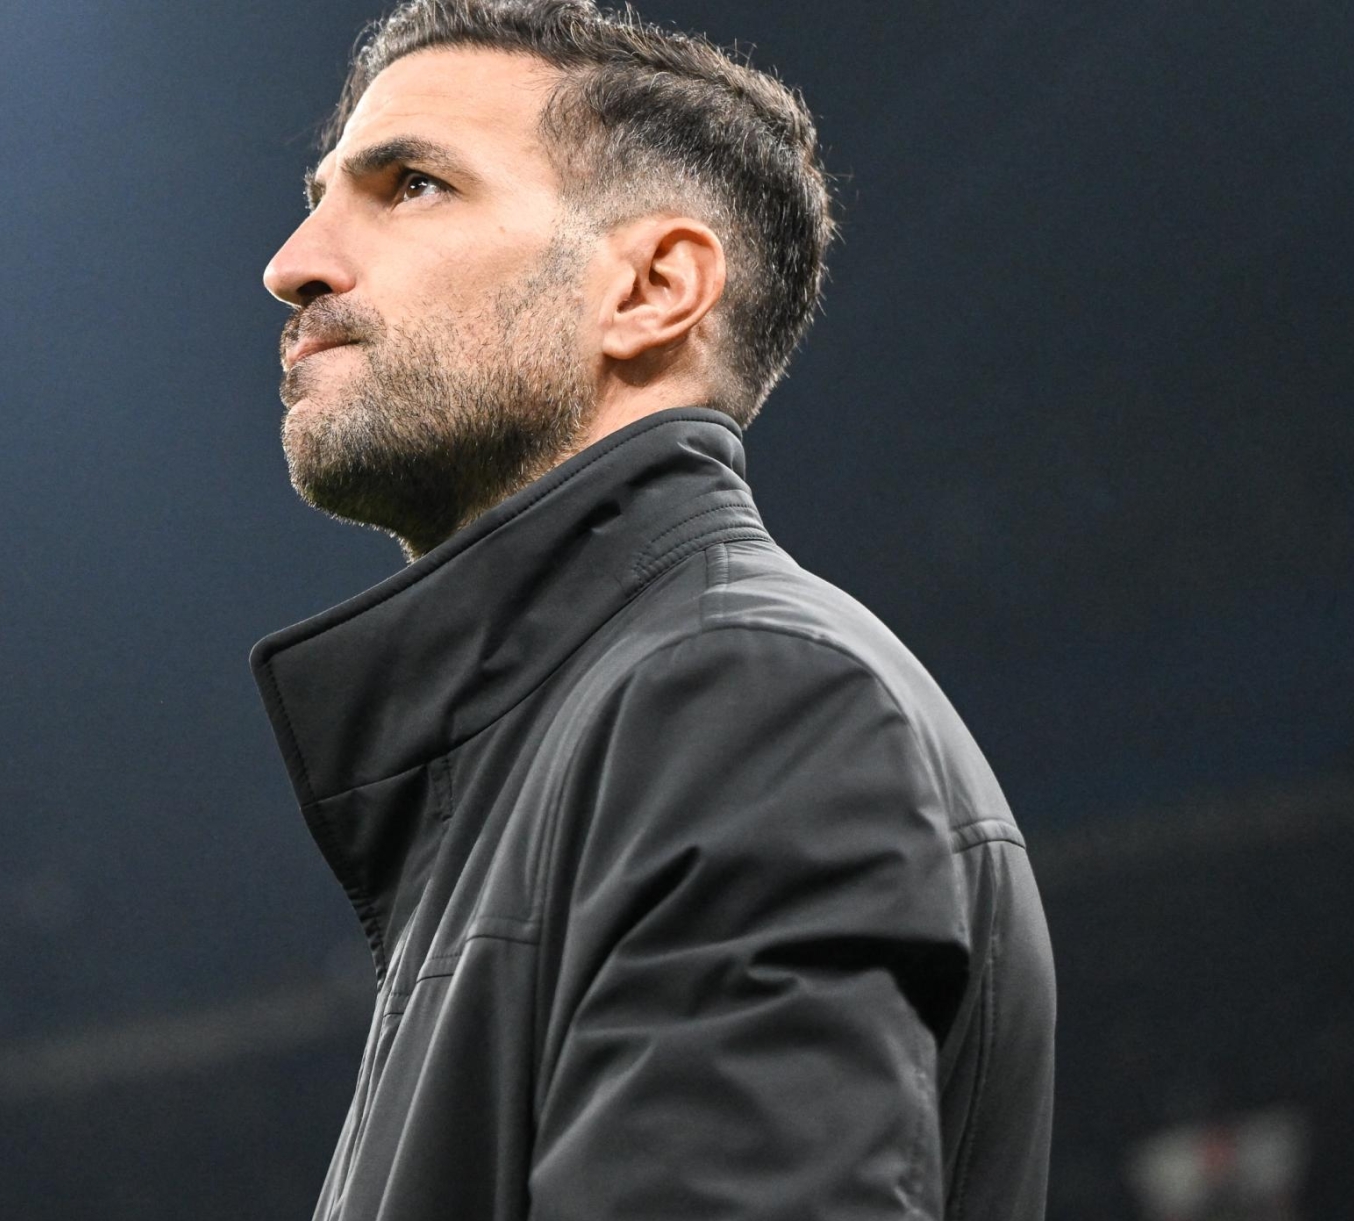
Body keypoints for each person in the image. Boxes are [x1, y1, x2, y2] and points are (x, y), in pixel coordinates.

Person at [247, 2, 1055, 1218]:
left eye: (409, 185)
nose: (295, 262)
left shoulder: (745, 702)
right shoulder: (579, 731)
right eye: (322, 194)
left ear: (653, 287)